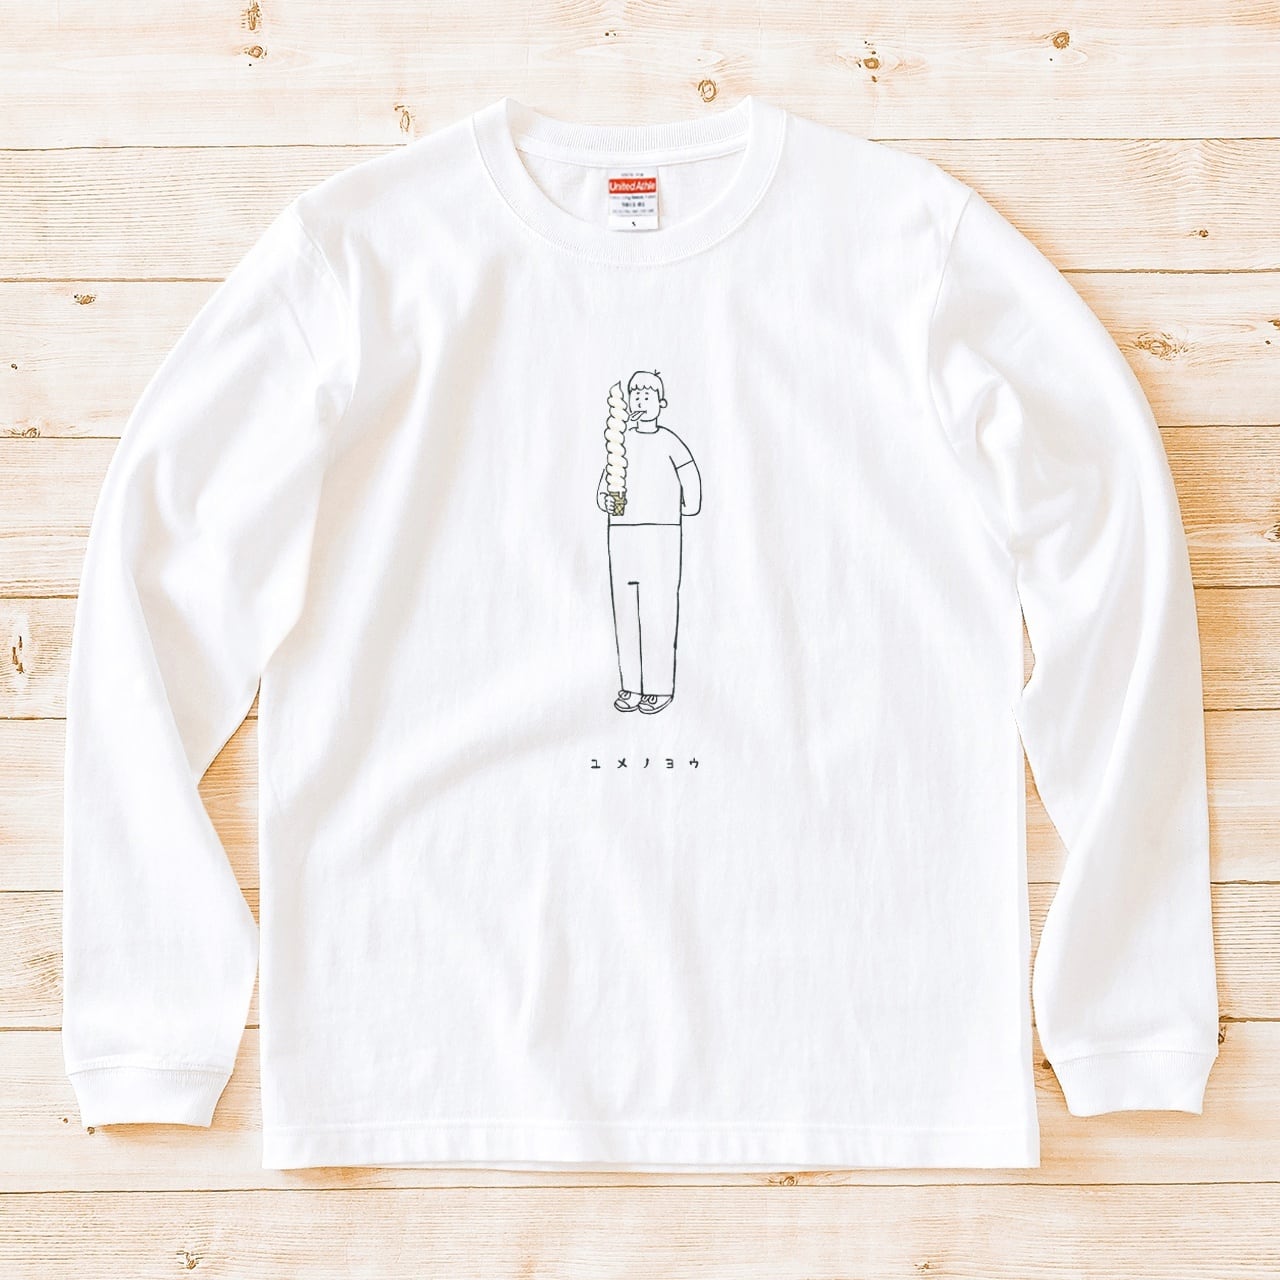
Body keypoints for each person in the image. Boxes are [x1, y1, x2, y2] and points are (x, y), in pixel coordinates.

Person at [595, 370, 701, 713]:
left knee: (659, 607)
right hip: (622, 532)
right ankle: (631, 686)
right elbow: (605, 484)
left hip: (662, 532)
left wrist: (690, 505)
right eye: (636, 395)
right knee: (626, 610)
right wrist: (605, 501)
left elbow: (689, 477)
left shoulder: (669, 442)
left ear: (661, 403)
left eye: (648, 394)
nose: (641, 400)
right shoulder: (620, 445)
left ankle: (658, 687)